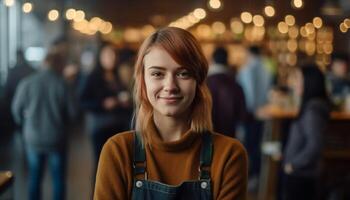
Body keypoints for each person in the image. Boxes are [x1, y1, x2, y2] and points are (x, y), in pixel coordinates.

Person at [94, 27, 248, 199]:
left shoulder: (228, 155)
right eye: (157, 74)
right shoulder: (118, 152)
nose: (170, 86)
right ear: (143, 82)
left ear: (198, 82)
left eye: (183, 73)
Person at [11, 46, 77, 200]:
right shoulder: (63, 84)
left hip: (33, 138)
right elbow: (73, 113)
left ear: (44, 63)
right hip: (57, 138)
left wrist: (24, 125)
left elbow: (16, 109)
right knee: (58, 180)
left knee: (34, 178)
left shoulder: (27, 82)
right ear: (60, 65)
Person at [80, 42, 133, 173]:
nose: (112, 58)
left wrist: (125, 103)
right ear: (100, 57)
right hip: (100, 127)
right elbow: (83, 102)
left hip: (119, 126)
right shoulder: (93, 77)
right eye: (108, 55)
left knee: (117, 165)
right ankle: (99, 193)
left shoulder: (118, 75)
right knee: (101, 164)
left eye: (113, 55)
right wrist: (103, 104)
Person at [283, 64, 331, 200]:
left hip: (303, 175)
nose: (294, 83)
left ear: (309, 82)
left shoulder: (313, 110)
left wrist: (293, 165)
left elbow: (316, 145)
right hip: (302, 175)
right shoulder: (312, 106)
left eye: (298, 78)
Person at [237, 46, 272, 191]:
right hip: (264, 113)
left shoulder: (247, 69)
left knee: (249, 147)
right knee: (258, 145)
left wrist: (250, 112)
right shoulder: (266, 68)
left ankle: (250, 179)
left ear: (249, 53)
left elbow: (249, 93)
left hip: (251, 114)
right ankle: (257, 178)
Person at [207, 46, 247, 137]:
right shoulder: (235, 84)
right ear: (227, 60)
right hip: (229, 136)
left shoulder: (204, 83)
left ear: (212, 60)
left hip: (207, 136)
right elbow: (242, 114)